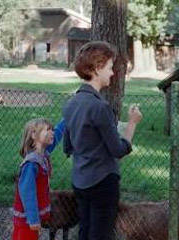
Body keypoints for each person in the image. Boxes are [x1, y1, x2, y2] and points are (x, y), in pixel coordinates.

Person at [63, 41, 142, 240]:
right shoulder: (100, 107)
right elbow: (118, 150)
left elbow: (68, 146)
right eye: (109, 67)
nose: (113, 73)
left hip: (79, 181)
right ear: (97, 68)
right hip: (102, 183)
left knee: (85, 232)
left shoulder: (71, 104)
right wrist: (132, 123)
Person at [12, 118, 65, 240]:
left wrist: (67, 118)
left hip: (29, 220)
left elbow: (57, 135)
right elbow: (27, 193)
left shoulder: (42, 154)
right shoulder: (31, 164)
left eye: (52, 129)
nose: (52, 132)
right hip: (27, 220)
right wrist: (33, 219)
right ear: (34, 134)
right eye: (48, 129)